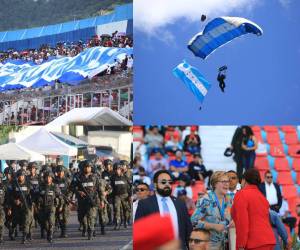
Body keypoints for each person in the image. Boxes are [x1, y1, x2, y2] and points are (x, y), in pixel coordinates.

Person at [135, 170, 192, 249]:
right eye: (163, 182)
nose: (167, 185)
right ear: (155, 184)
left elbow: (188, 230)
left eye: (170, 182)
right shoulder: (144, 204)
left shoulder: (180, 204)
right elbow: (139, 233)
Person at [231, 168, 276, 250]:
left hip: (254, 243)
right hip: (269, 240)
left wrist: (240, 245)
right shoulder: (262, 196)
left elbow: (242, 222)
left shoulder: (241, 194)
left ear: (244, 180)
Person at [191, 171, 232, 250]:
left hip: (226, 244)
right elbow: (193, 221)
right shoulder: (206, 200)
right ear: (215, 184)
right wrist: (214, 226)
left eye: (228, 181)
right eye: (223, 181)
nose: (227, 184)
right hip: (209, 245)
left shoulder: (229, 199)